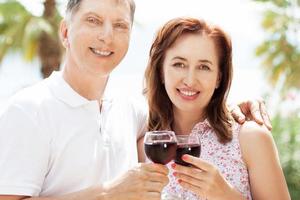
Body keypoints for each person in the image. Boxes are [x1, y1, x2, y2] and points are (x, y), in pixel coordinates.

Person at [0, 0, 271, 200]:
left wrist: (234, 105)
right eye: (93, 20)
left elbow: (188, 102)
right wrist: (108, 193)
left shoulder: (131, 111)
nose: (106, 36)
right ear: (65, 32)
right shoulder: (28, 110)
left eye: (120, 25)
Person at [143, 17, 290, 200]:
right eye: (179, 64)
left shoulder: (251, 138)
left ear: (219, 78)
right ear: (161, 71)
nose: (190, 80)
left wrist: (226, 195)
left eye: (204, 67)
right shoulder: (143, 142)